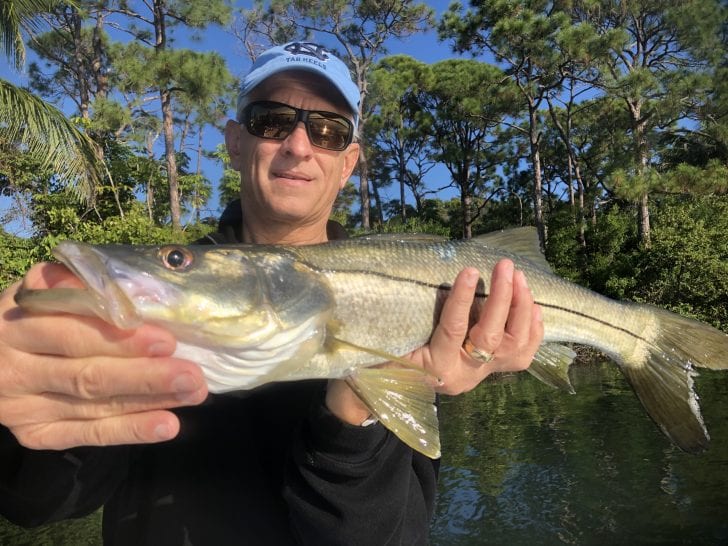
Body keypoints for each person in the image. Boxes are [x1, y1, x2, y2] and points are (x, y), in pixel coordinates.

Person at [0, 41, 543, 545]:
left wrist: (359, 408)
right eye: (273, 121)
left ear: (348, 162)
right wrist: (23, 398)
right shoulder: (151, 309)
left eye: (328, 131)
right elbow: (33, 503)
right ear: (236, 142)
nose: (299, 146)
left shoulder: (401, 303)